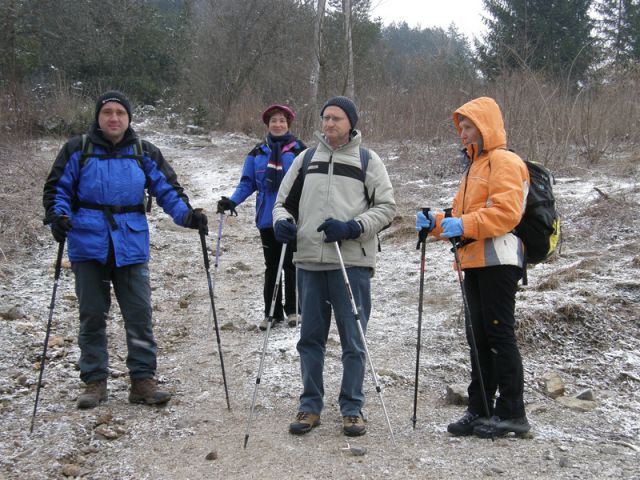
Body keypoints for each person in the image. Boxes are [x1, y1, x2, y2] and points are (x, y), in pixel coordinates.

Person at [42, 91, 208, 409]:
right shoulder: (78, 149)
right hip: (87, 245)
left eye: (120, 112)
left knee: (139, 315)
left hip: (130, 245)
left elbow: (167, 188)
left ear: (129, 118)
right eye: (107, 112)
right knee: (92, 316)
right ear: (98, 117)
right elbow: (57, 188)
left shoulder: (143, 151)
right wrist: (58, 217)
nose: (114, 118)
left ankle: (142, 380)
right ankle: (94, 382)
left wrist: (187, 216)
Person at [273, 96, 396, 437]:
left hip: (351, 262)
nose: (329, 124)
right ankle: (310, 406)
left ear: (351, 123)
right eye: (326, 118)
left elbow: (386, 207)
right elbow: (282, 203)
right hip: (310, 261)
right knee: (309, 338)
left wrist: (354, 226)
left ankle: (352, 408)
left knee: (353, 341)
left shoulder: (367, 160)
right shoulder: (306, 159)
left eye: (337, 119)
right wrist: (283, 222)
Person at [416, 96, 531, 438]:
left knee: (498, 334)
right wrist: (435, 223)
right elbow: (460, 219)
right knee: (477, 337)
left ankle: (512, 412)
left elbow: (507, 213)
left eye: (468, 127)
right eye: (461, 128)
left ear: (485, 126)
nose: (463, 134)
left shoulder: (505, 161)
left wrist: (461, 226)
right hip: (474, 262)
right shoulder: (473, 168)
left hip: (499, 261)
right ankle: (480, 408)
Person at [217, 105, 306, 330]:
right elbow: (247, 183)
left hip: (292, 217)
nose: (278, 124)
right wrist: (232, 201)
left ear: (288, 124)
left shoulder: (300, 151)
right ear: (267, 124)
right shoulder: (257, 153)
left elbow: (310, 182)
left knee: (291, 264)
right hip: (266, 217)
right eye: (274, 121)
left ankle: (294, 310)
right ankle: (272, 313)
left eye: (282, 121)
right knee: (272, 265)